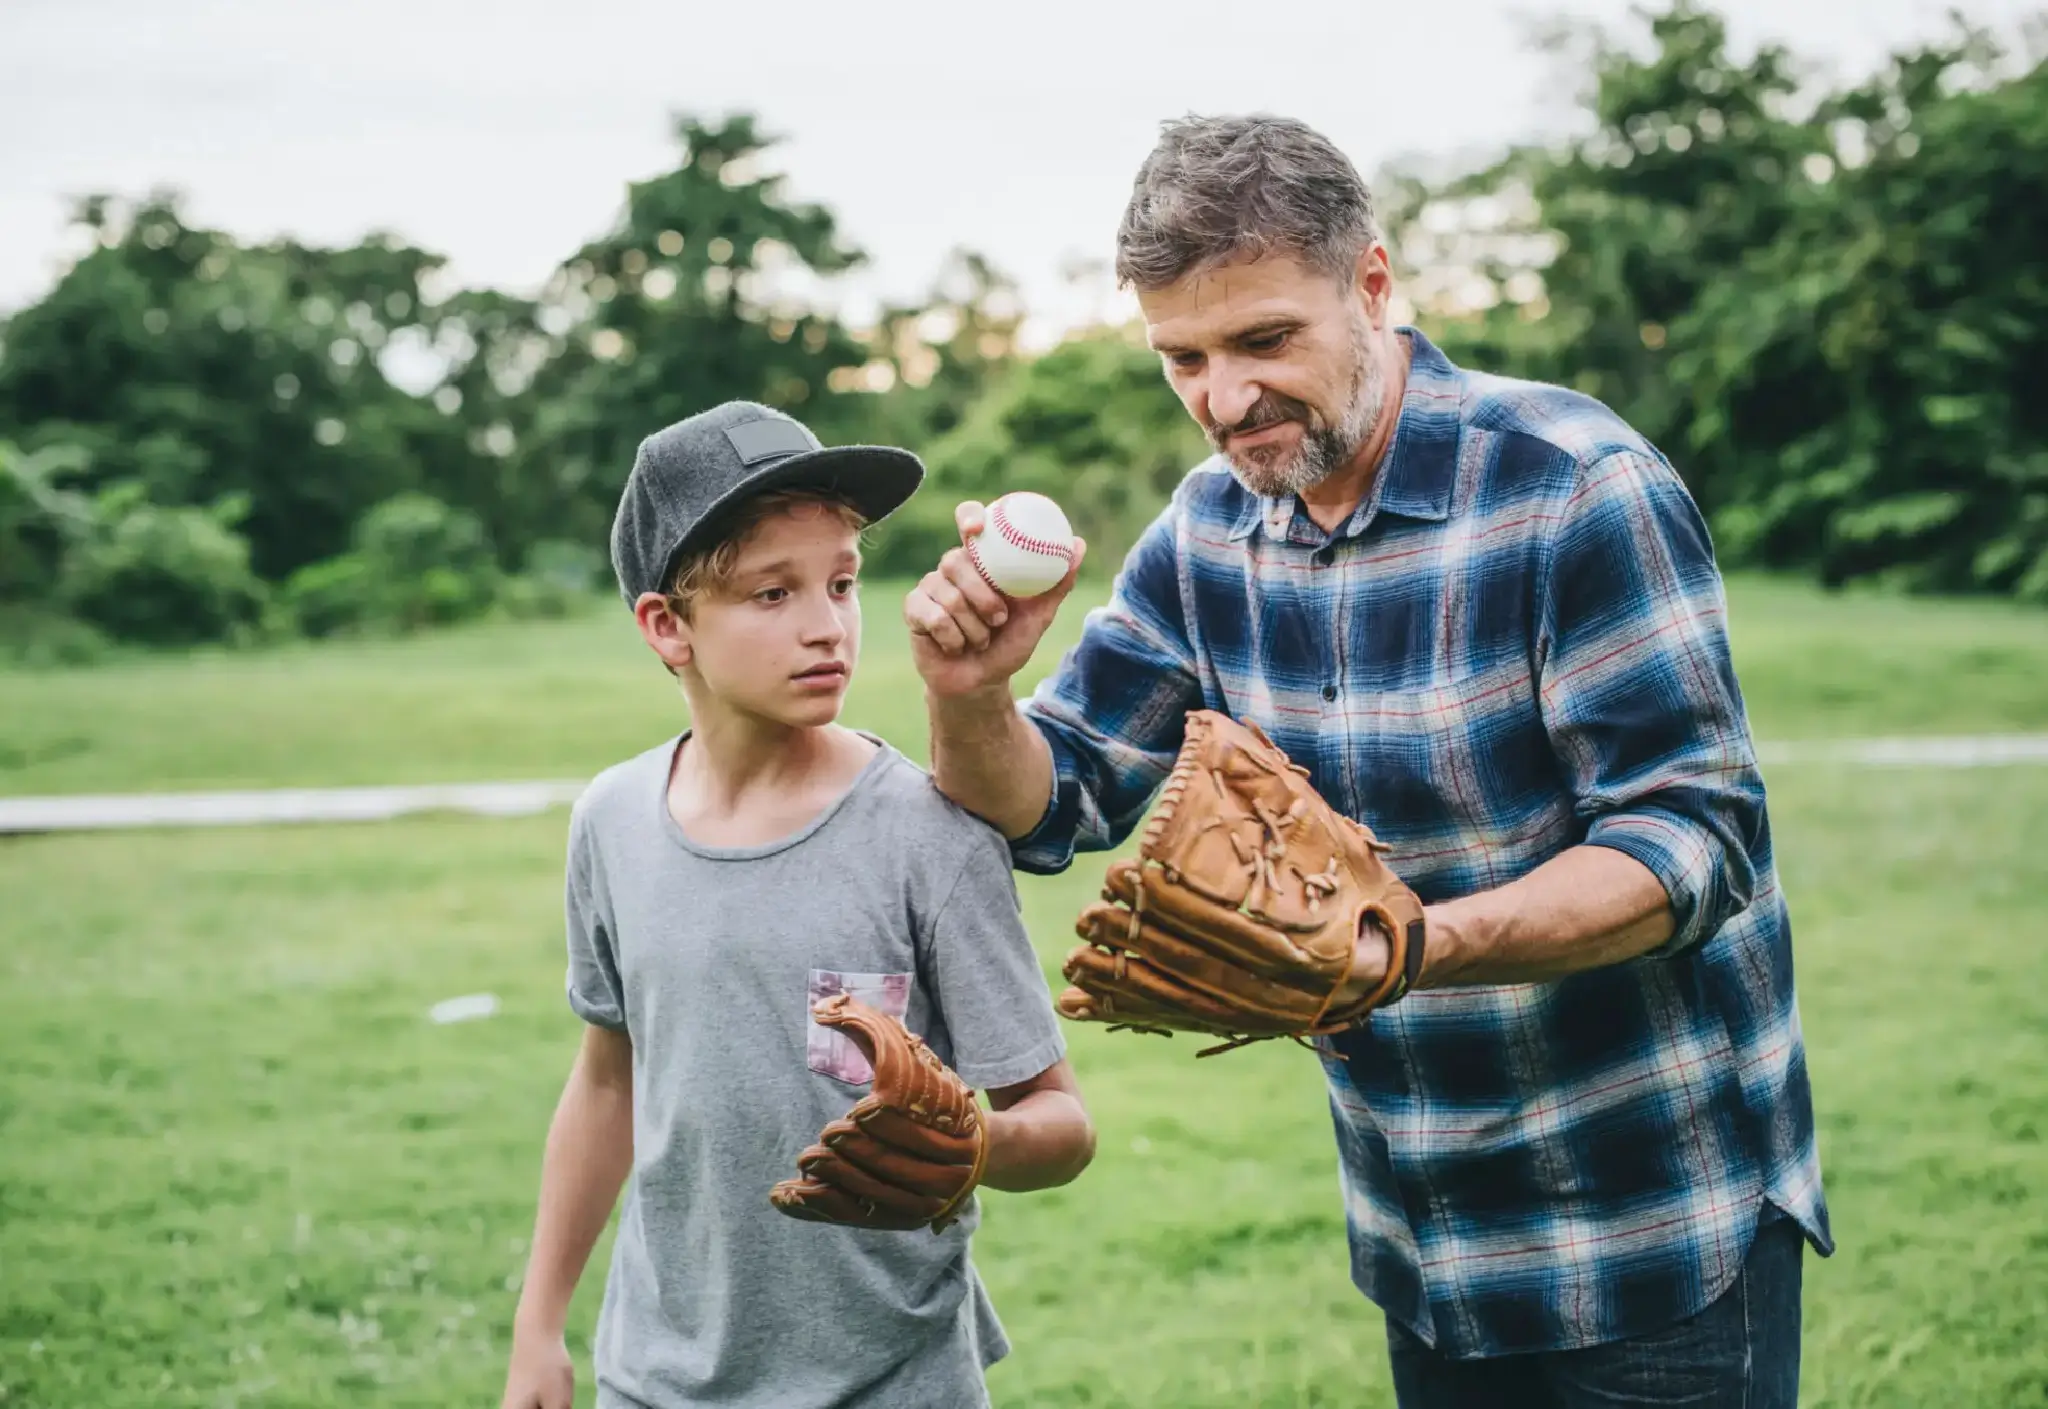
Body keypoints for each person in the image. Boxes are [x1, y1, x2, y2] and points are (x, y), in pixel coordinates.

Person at [903, 114, 1830, 1408]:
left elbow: (1693, 844)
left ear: (1375, 285)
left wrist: (1412, 942)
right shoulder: (1208, 532)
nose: (1224, 399)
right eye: (1185, 358)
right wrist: (974, 690)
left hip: (1653, 1219)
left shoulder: (1573, 489)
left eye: (1265, 340)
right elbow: (1052, 797)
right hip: (1424, 1236)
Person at [501, 401, 1095, 1409]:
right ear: (665, 626)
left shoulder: (928, 832)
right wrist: (537, 1325)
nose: (826, 623)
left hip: (889, 1376)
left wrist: (972, 1145)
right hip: (657, 1372)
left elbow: (1059, 1119)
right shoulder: (611, 820)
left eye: (841, 582)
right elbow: (608, 1079)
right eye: (770, 592)